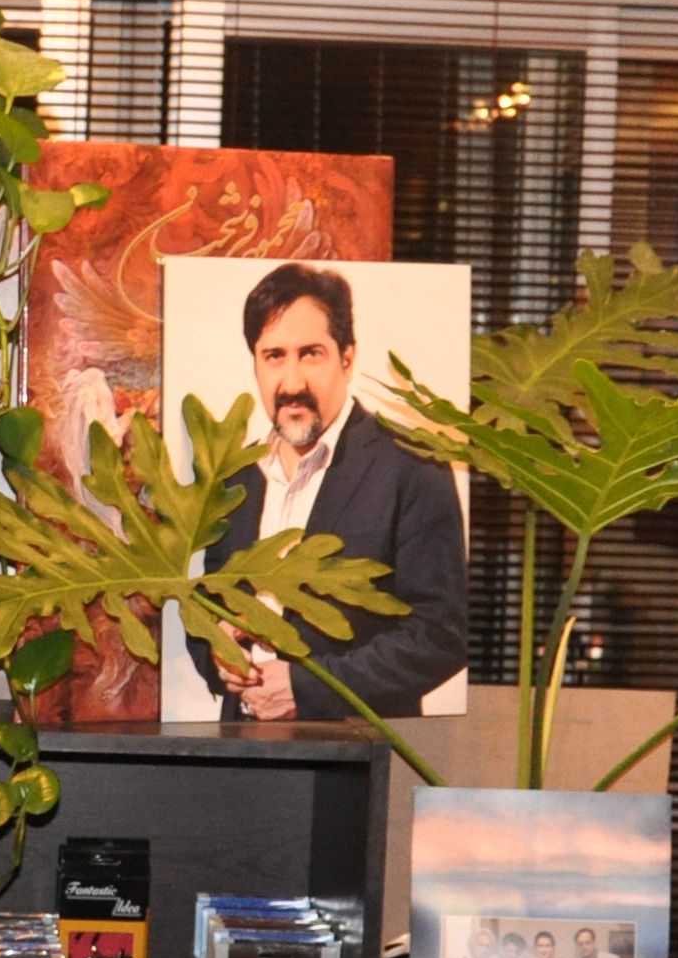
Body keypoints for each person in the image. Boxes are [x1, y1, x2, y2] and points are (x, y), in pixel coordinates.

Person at [183, 263, 472, 721]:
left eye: (311, 354)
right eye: (274, 355)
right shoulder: (234, 476)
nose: (292, 382)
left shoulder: (413, 466)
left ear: (348, 357)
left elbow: (441, 636)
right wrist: (217, 656)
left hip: (353, 761)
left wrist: (307, 688)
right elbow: (207, 603)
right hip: (240, 753)